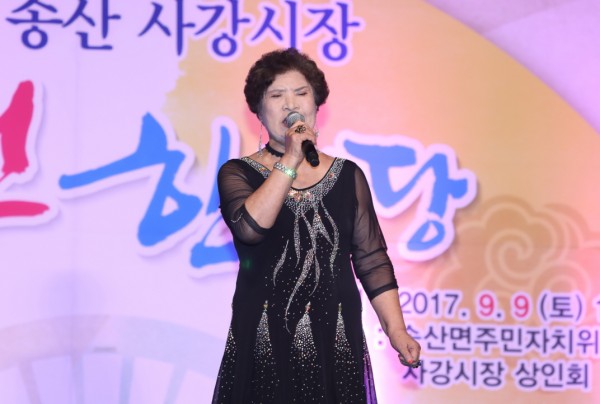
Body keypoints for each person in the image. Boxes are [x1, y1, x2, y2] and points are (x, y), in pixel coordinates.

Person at [212, 48, 421, 403]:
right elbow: (251, 228)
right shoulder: (237, 173)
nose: (290, 103)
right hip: (264, 338)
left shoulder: (347, 175)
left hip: (334, 338)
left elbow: (371, 259)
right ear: (258, 111)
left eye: (301, 93)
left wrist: (396, 329)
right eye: (276, 96)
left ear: (316, 104)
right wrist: (291, 159)